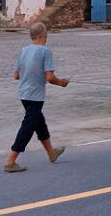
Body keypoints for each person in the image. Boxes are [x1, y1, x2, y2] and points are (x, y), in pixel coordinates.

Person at [5, 22, 69, 173]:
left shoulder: (23, 50)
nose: (46, 38)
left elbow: (16, 75)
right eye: (46, 35)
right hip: (36, 96)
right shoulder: (45, 51)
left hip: (24, 94)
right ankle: (10, 161)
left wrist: (33, 73)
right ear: (42, 36)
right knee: (27, 127)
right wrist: (62, 83)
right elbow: (50, 77)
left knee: (40, 123)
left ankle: (52, 153)